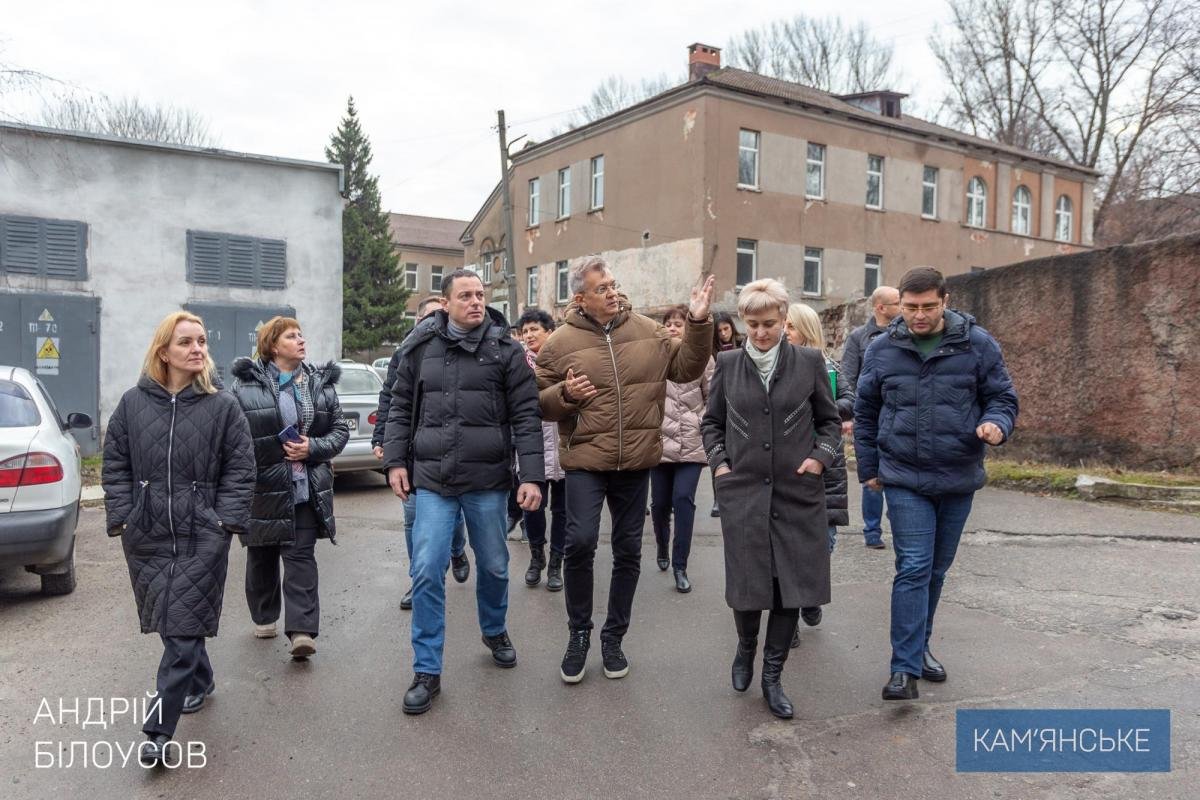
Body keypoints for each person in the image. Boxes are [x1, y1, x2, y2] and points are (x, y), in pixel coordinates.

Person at [536, 256, 714, 684]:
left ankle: (614, 637)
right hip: (585, 460)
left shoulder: (649, 332)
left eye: (614, 284)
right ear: (581, 297)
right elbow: (539, 402)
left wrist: (698, 320)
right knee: (578, 543)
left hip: (636, 460)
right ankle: (579, 633)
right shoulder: (558, 343)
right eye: (602, 288)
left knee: (628, 550)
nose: (613, 292)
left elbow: (687, 367)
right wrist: (565, 394)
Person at [384, 269, 544, 715]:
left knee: (494, 567)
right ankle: (427, 671)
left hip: (488, 482)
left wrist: (531, 476)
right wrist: (396, 461)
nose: (476, 302)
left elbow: (527, 418)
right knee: (426, 570)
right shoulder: (419, 348)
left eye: (480, 295)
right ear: (446, 301)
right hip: (432, 481)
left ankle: (494, 629)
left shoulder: (506, 351)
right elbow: (399, 407)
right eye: (466, 295)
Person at [854, 267, 1018, 701]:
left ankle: (920, 646)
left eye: (928, 306)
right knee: (912, 566)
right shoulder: (881, 350)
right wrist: (869, 468)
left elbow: (1002, 398)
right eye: (910, 308)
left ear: (945, 300)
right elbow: (866, 413)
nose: (919, 316)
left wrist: (995, 424)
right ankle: (903, 669)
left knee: (936, 569)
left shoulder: (977, 345)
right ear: (899, 306)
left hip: (957, 474)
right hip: (904, 475)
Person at [103, 312, 255, 766]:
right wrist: (124, 517)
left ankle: (158, 730)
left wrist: (223, 523)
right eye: (185, 341)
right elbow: (114, 465)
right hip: (147, 533)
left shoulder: (223, 406)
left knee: (182, 630)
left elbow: (241, 469)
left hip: (201, 535)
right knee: (175, 624)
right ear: (163, 351)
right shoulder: (132, 404)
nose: (197, 348)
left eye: (202, 341)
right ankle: (202, 680)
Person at [701, 279, 842, 719]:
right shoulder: (727, 364)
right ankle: (746, 648)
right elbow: (711, 424)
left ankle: (773, 676)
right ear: (743, 322)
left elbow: (830, 422)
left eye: (770, 324)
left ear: (785, 320)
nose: (761, 333)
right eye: (753, 324)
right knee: (748, 586)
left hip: (797, 493)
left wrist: (820, 458)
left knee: (790, 589)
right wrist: (721, 464)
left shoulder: (809, 361)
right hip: (742, 493)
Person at [230, 317, 350, 660]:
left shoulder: (320, 384)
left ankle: (301, 632)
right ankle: (264, 615)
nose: (301, 340)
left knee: (300, 556)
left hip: (305, 487)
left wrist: (312, 448)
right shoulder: (246, 386)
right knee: (262, 555)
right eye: (291, 336)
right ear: (272, 346)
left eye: (301, 334)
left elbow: (339, 431)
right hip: (263, 487)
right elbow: (235, 437)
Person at [372, 295, 470, 610]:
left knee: (453, 516)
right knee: (412, 517)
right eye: (429, 318)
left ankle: (456, 549)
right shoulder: (406, 353)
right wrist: (382, 439)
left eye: (441, 316)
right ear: (418, 323)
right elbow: (390, 398)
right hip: (415, 451)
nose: (436, 323)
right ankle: (421, 581)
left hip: (451, 449)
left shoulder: (459, 352)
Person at [785, 302, 854, 643]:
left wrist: (821, 404)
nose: (784, 332)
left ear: (806, 330)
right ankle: (790, 618)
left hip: (826, 465)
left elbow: (849, 401)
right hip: (788, 463)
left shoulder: (830, 366)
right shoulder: (776, 366)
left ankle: (810, 596)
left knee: (822, 543)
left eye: (790, 326)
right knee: (788, 544)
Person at [652, 305, 715, 593]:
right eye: (669, 324)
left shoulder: (703, 358)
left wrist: (702, 421)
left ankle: (681, 565)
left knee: (683, 499)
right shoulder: (653, 357)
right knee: (660, 505)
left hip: (691, 442)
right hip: (658, 444)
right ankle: (662, 545)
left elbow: (714, 397)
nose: (674, 327)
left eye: (679, 323)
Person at [840, 285, 900, 549]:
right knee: (872, 474)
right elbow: (848, 377)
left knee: (900, 474)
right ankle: (872, 531)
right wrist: (851, 415)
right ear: (881, 307)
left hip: (900, 415)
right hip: (872, 415)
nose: (903, 306)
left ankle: (902, 528)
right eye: (898, 302)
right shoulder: (859, 338)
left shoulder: (906, 334)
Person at [517, 308, 566, 591]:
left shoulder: (565, 360)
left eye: (535, 329)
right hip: (532, 446)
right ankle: (537, 558)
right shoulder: (519, 364)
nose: (529, 335)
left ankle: (557, 564)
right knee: (532, 507)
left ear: (550, 331)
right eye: (525, 331)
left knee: (563, 510)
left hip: (564, 445)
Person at [710, 312, 741, 517]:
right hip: (722, 401)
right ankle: (718, 497)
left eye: (726, 328)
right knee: (720, 452)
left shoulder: (743, 344)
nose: (723, 334)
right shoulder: (713, 352)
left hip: (740, 401)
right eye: (719, 331)